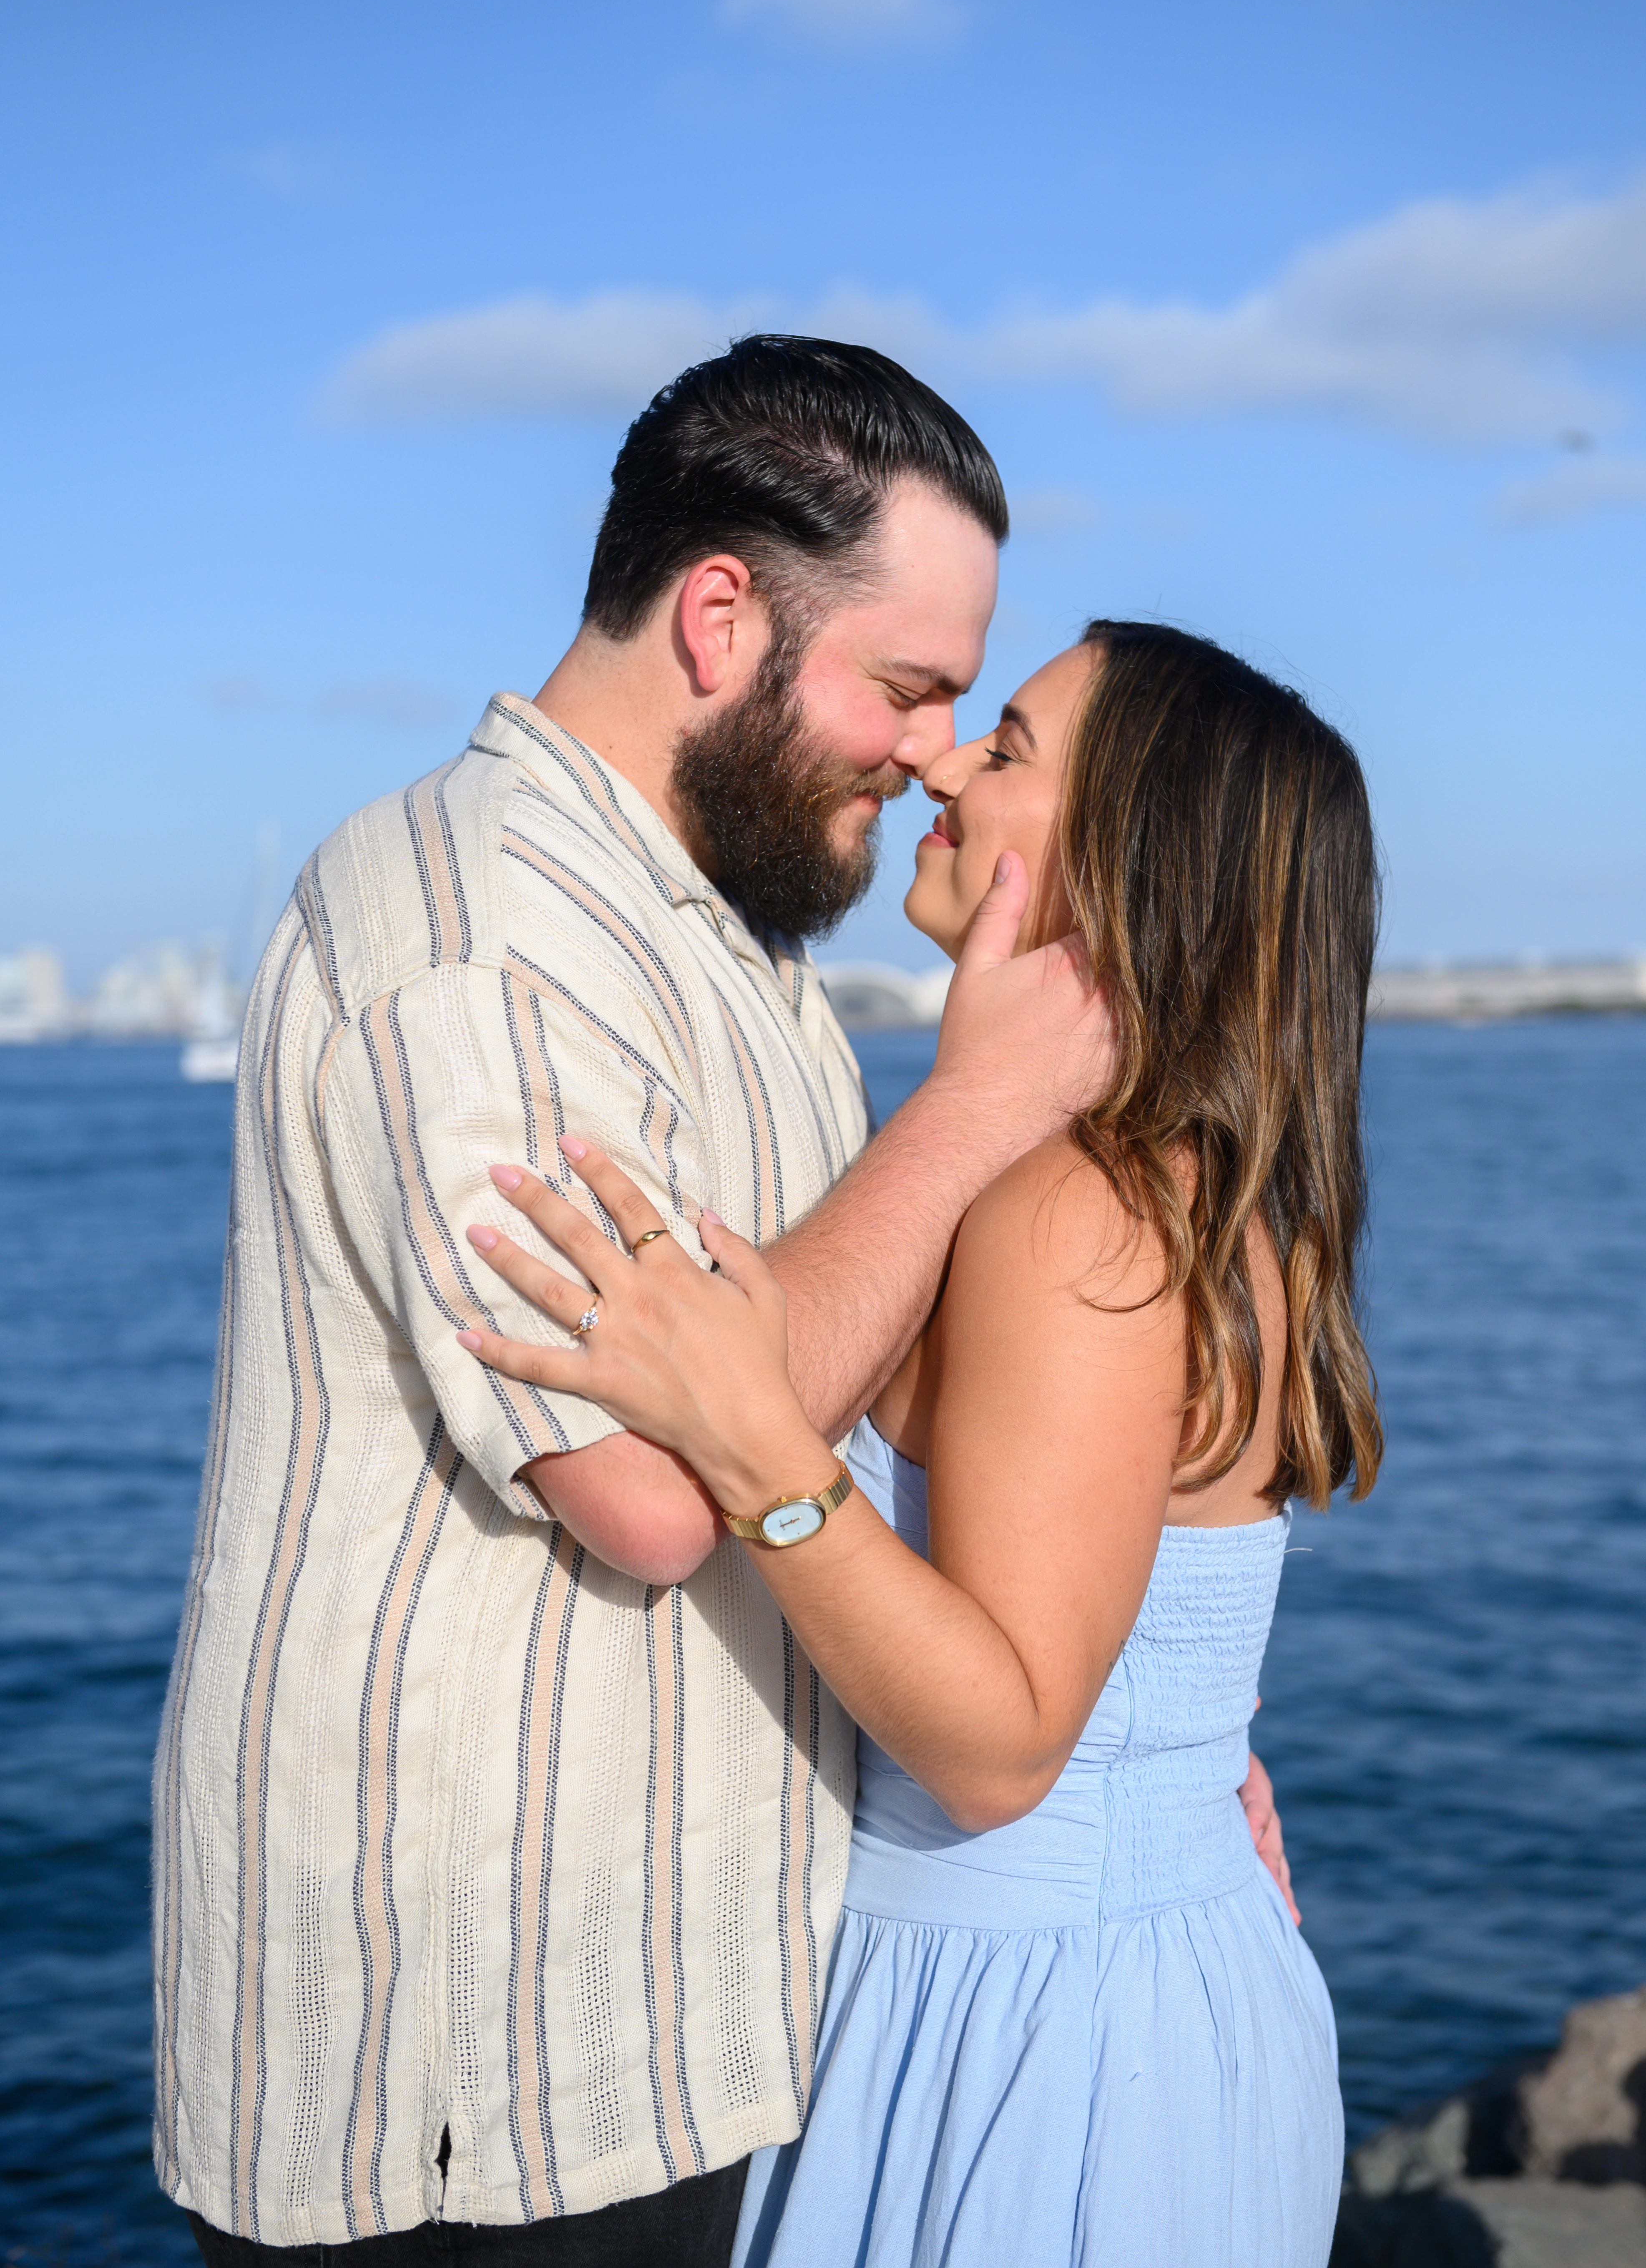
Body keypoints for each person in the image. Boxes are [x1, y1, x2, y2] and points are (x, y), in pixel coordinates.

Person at [156, 335, 1129, 2265]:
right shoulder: (479, 945)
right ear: (718, 617)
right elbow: (660, 1487)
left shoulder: (725, 936)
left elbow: (835, 1382)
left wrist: (1148, 1746)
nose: (934, 751)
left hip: (673, 2026)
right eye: (907, 687)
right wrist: (972, 1111)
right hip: (461, 2087)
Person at [454, 619, 1382, 2267]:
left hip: (1039, 2046)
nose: (942, 763)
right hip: (1087, 1994)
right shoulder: (1153, 1188)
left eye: (1007, 748)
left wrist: (753, 1443)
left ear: (1129, 855)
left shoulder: (1077, 1213)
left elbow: (1004, 1745)